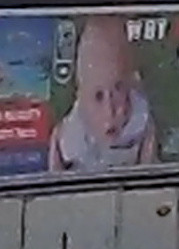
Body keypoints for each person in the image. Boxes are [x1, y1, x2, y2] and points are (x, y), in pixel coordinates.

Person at [50, 15, 157, 171]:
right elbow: (57, 149)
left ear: (131, 83)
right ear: (81, 96)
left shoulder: (139, 120)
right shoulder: (74, 133)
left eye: (119, 88)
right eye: (98, 96)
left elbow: (149, 167)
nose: (110, 110)